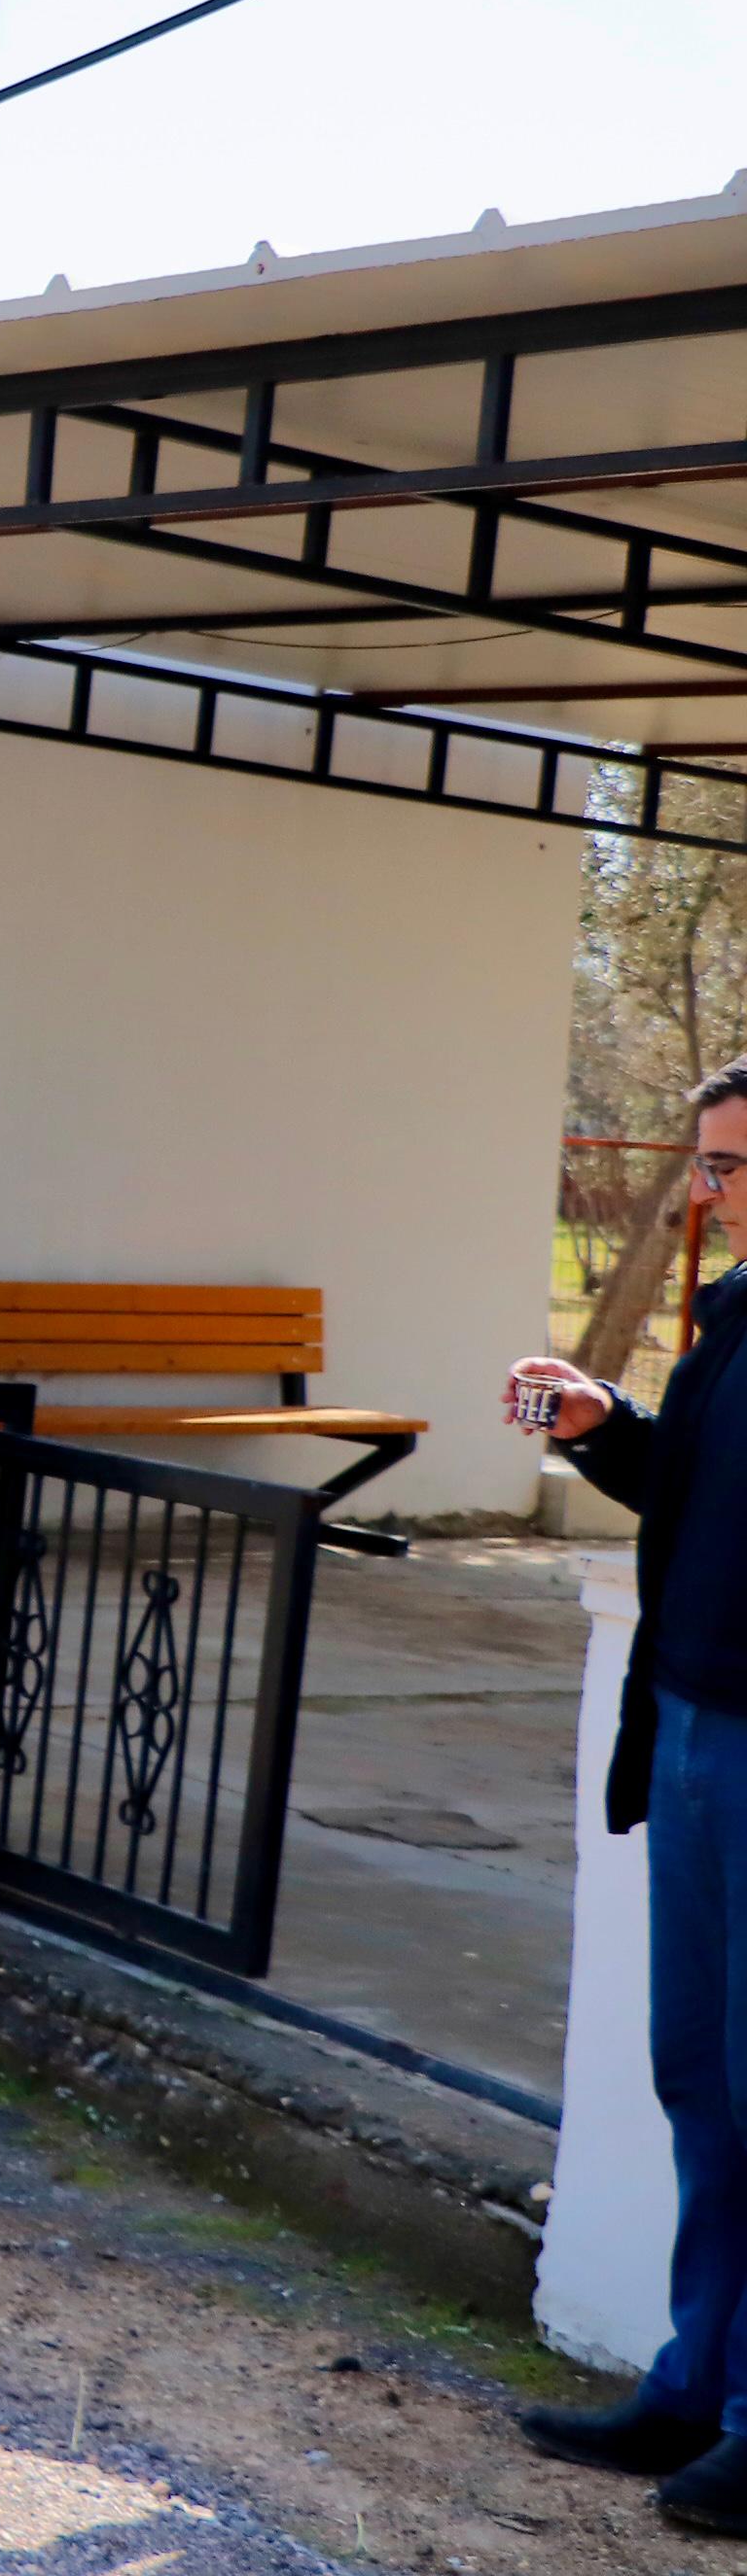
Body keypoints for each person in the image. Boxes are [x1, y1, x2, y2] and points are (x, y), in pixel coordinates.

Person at [513, 1057, 747, 2537]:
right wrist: (603, 1424)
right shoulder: (737, 1314)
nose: (703, 1195)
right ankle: (694, 2383)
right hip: (694, 1725)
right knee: (701, 2081)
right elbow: (698, 1496)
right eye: (705, 1165)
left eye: (727, 1168)